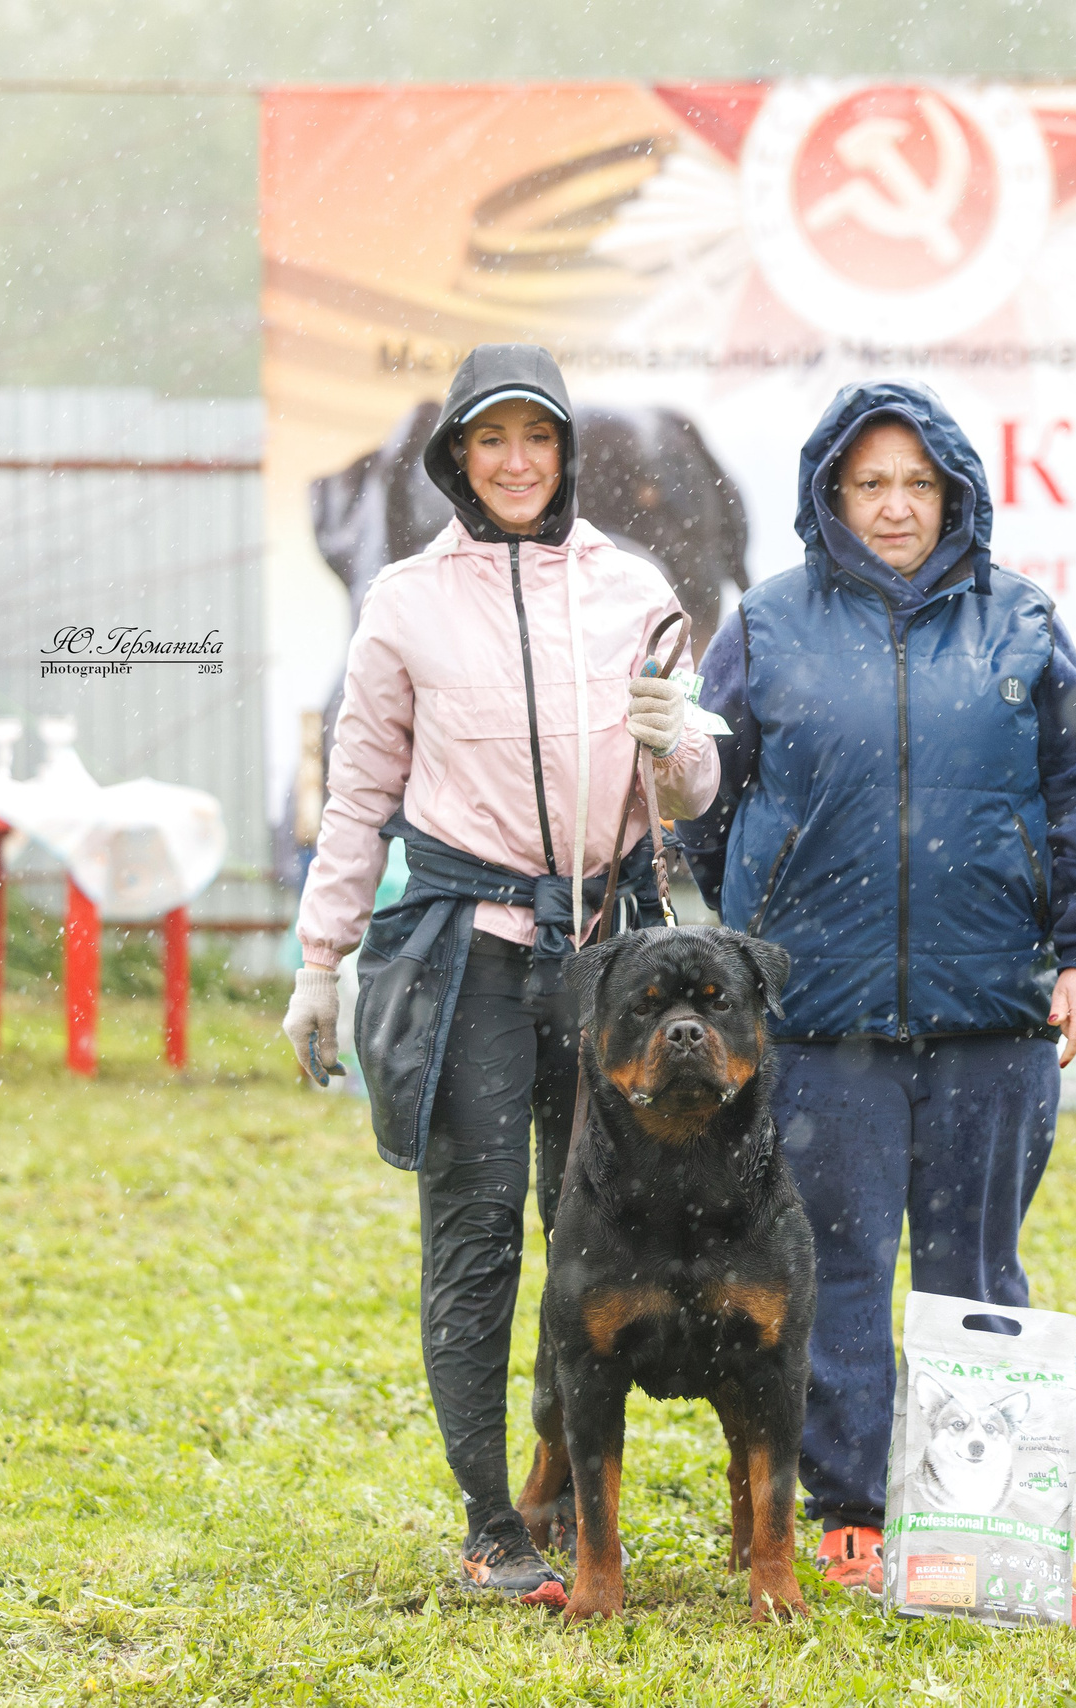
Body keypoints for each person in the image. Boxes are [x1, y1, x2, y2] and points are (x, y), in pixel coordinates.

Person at [677, 381, 1076, 1593]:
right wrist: (763, 933)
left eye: (916, 484)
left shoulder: (1022, 621)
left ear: (955, 494)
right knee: (831, 1263)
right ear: (831, 495)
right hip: (818, 1025)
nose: (893, 506)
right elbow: (705, 807)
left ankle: (983, 1516)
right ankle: (854, 1503)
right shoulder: (765, 627)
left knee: (975, 1269)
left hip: (994, 1010)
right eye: (869, 483)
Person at [281, 345, 718, 1597]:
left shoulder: (635, 588)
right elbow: (357, 793)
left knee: (592, 1233)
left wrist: (675, 741)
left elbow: (689, 788)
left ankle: (566, 1482)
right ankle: (490, 1520)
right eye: (492, 442)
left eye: (539, 439)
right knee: (475, 1235)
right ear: (456, 460)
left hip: (608, 957)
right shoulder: (405, 603)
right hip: (468, 952)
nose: (518, 463)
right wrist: (323, 960)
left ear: (569, 453)